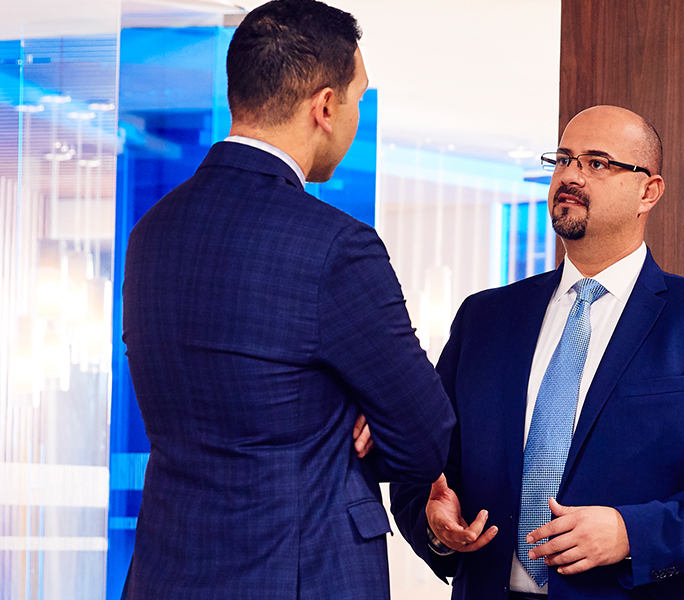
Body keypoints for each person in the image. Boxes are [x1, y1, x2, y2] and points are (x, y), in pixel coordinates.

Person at [391, 106, 684, 600]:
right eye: (563, 159)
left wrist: (632, 533)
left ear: (648, 191)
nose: (570, 175)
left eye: (597, 163)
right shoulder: (485, 318)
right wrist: (435, 529)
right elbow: (428, 467)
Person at [121, 1, 453, 598]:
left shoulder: (152, 232)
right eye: (358, 98)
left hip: (165, 574)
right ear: (325, 106)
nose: (356, 116)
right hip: (300, 576)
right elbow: (425, 437)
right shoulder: (336, 246)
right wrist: (359, 419)